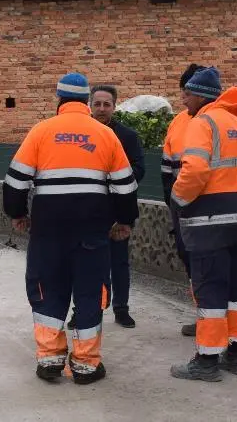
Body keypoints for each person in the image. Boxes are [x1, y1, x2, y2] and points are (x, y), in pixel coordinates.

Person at [2, 72, 139, 385]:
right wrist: (124, 221)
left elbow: (15, 181)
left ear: (59, 100)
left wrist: (18, 214)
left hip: (48, 230)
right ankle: (86, 365)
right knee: (90, 293)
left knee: (47, 289)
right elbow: (125, 186)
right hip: (92, 231)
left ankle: (50, 360)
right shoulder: (105, 135)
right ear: (86, 101)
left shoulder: (41, 132)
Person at [168, 67, 237, 382]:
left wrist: (178, 199)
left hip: (210, 223)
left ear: (201, 96)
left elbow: (195, 170)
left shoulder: (202, 123)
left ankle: (207, 360)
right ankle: (236, 355)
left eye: (188, 95)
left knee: (210, 289)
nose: (185, 102)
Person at [90, 85, 145, 328]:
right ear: (90, 105)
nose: (101, 109)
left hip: (118, 209)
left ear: (114, 106)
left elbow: (139, 170)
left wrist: (112, 179)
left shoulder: (128, 136)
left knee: (119, 262)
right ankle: (86, 308)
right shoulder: (82, 134)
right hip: (87, 209)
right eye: (97, 104)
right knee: (86, 263)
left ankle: (121, 309)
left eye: (106, 104)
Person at [161, 64, 206, 337]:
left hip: (212, 210)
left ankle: (221, 324)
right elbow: (167, 170)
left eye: (187, 92)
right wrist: (174, 206)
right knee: (190, 263)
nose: (182, 98)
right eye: (183, 92)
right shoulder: (178, 122)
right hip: (184, 210)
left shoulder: (220, 122)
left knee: (215, 267)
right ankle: (204, 316)